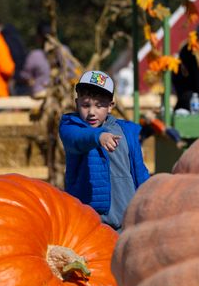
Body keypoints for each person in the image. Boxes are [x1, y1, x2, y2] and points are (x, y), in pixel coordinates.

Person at [59, 70, 150, 231]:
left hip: (128, 221)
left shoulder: (126, 131)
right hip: (92, 223)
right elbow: (77, 139)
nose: (91, 112)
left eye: (99, 105)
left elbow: (139, 171)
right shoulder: (71, 127)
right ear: (76, 103)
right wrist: (99, 136)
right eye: (86, 105)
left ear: (110, 106)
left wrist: (149, 198)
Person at [20, 22, 78, 98]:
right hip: (63, 93)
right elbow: (72, 73)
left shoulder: (35, 55)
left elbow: (25, 76)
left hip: (41, 93)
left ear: (39, 37)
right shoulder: (64, 50)